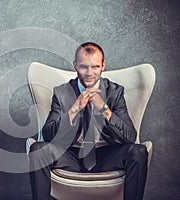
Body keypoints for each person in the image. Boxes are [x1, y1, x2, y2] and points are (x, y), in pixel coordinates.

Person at [29, 42, 148, 200]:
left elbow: (130, 136)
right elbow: (48, 135)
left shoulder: (115, 92)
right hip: (71, 155)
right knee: (39, 149)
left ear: (103, 66)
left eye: (95, 67)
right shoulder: (62, 92)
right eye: (84, 67)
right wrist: (74, 109)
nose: (89, 73)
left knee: (138, 151)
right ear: (75, 65)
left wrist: (104, 108)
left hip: (107, 155)